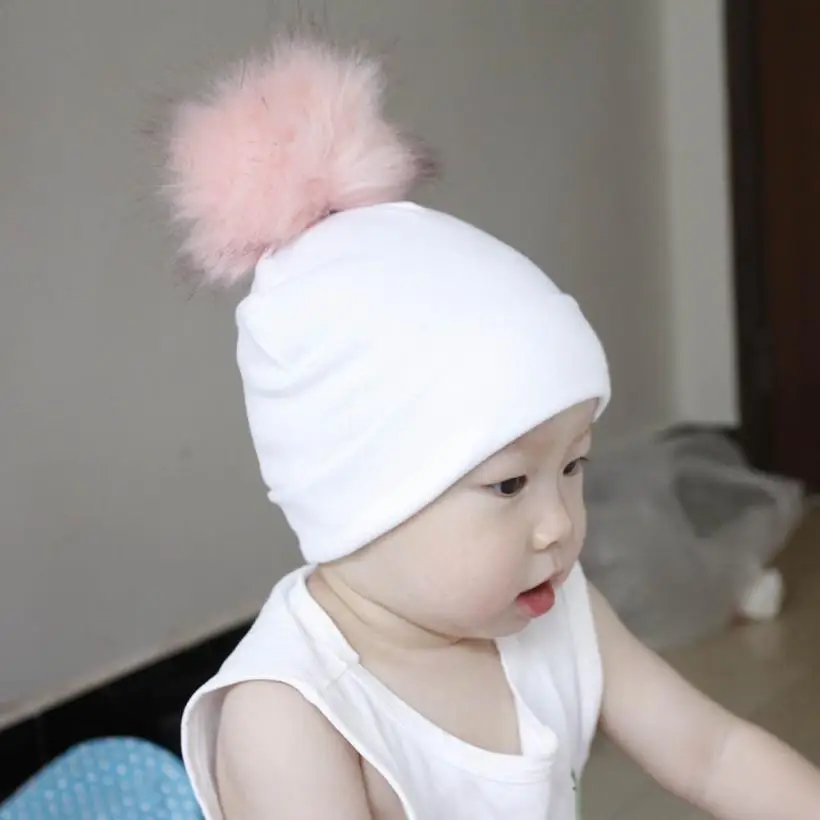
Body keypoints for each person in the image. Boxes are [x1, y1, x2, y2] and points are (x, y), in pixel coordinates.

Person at [165, 37, 820, 819]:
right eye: (509, 484)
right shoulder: (293, 719)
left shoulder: (557, 611)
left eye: (573, 467)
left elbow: (711, 754)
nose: (559, 525)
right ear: (360, 494)